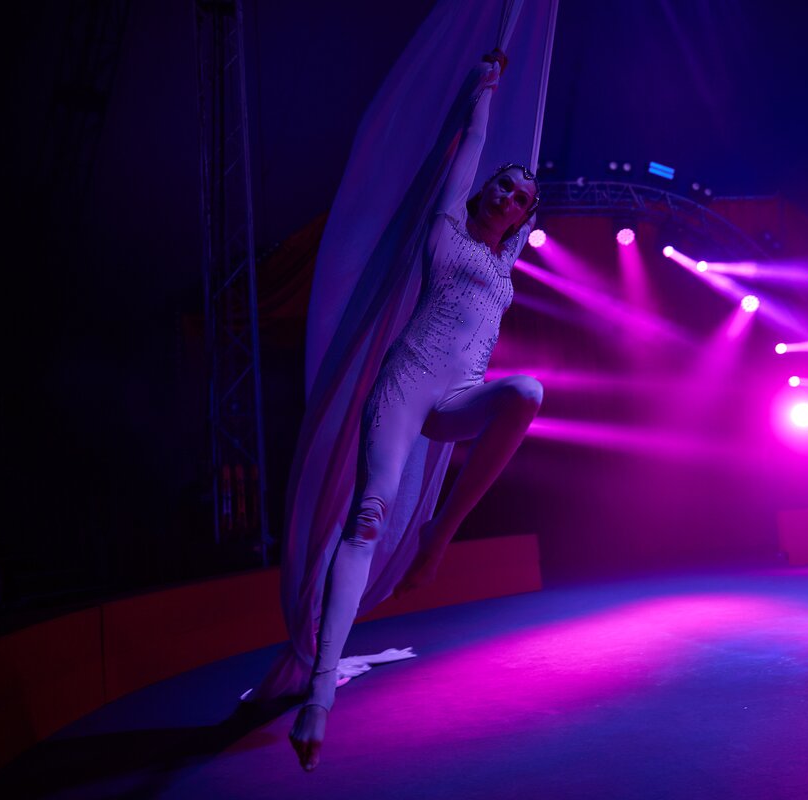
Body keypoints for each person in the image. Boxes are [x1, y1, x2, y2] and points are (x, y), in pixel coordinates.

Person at [287, 49, 544, 773]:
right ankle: (319, 694)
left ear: (522, 217)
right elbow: (470, 150)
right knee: (368, 517)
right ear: (484, 192)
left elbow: (528, 190)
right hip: (406, 385)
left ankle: (438, 537)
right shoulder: (446, 230)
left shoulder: (506, 264)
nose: (505, 194)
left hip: (460, 396)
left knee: (527, 393)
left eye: (518, 195)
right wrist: (487, 88)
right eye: (501, 184)